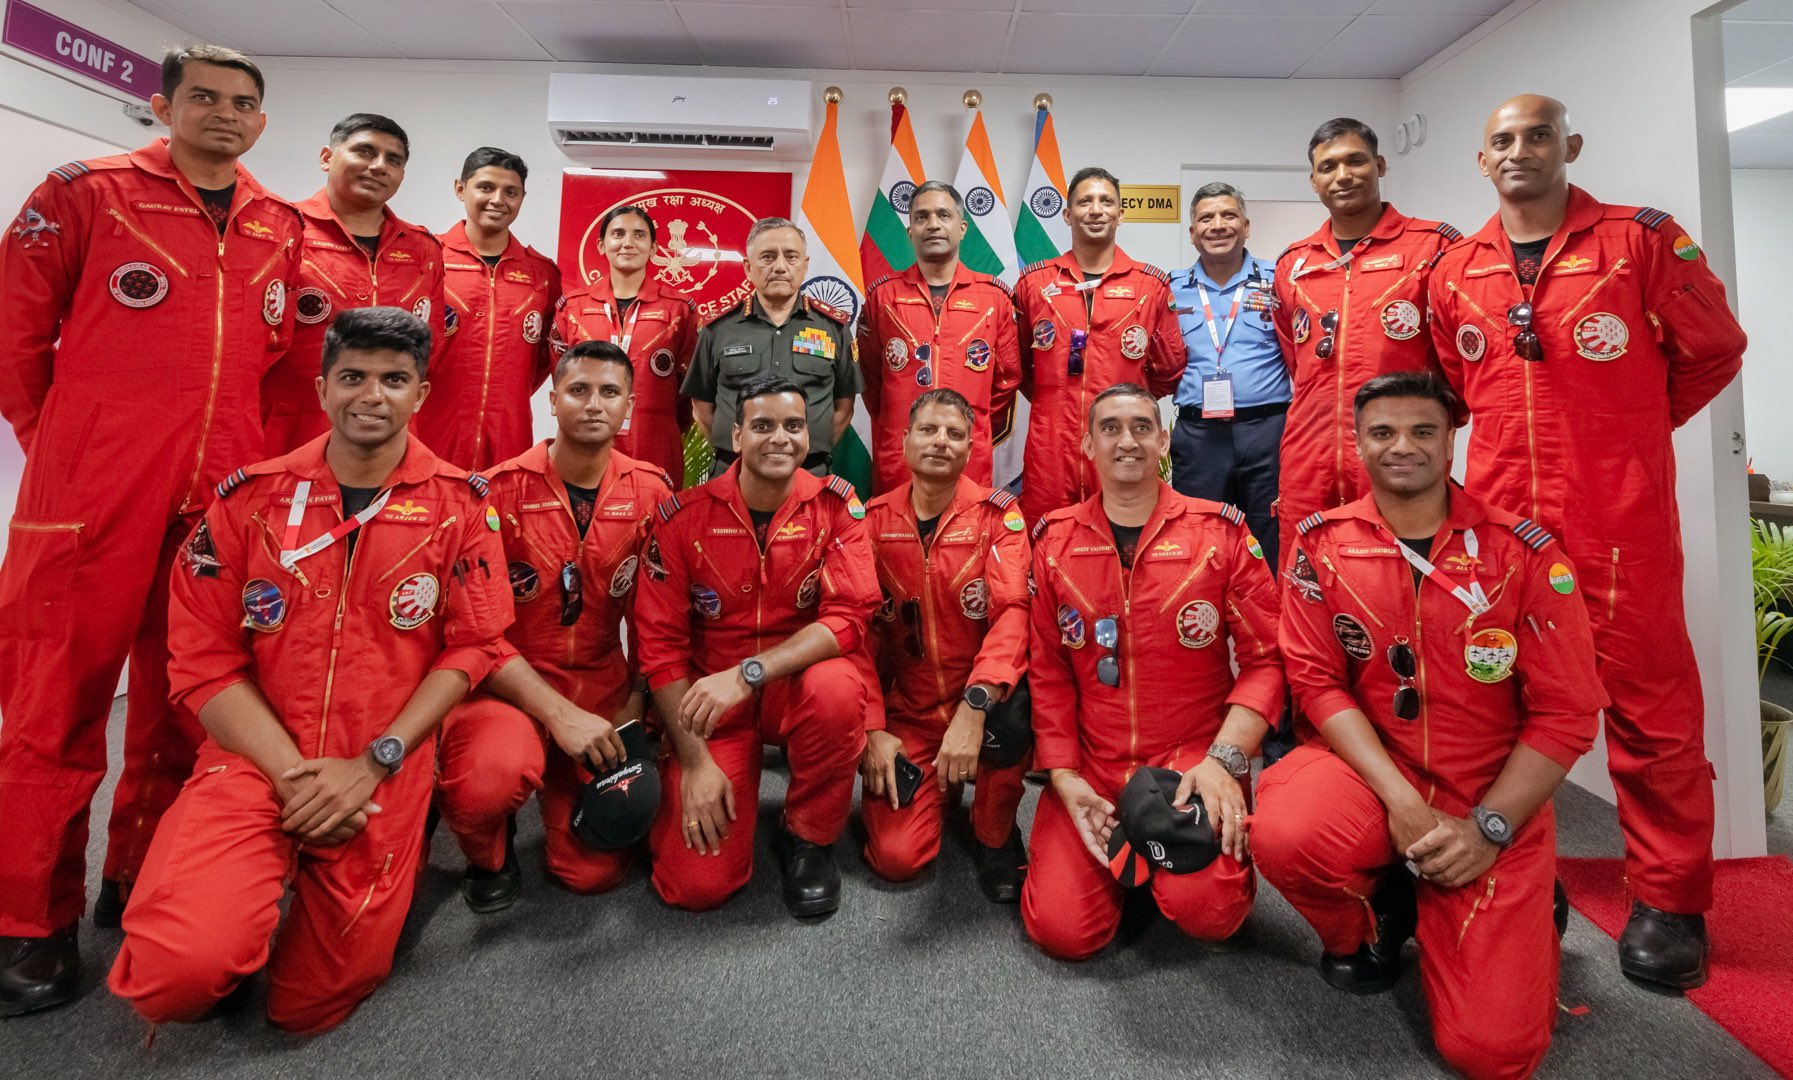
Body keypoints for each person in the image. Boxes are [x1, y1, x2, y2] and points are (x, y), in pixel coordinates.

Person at [0, 43, 305, 1015]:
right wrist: (62, 442)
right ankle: (27, 922)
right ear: (161, 104)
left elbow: (273, 350)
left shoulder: (275, 221)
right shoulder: (86, 192)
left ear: (261, 122)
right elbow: (13, 330)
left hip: (217, 495)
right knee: (56, 709)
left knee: (191, 701)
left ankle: (139, 876)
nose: (224, 114)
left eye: (242, 102)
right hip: (90, 493)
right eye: (204, 97)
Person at [106, 307, 512, 1033]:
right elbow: (200, 665)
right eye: (352, 377)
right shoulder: (247, 502)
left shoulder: (461, 507)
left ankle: (342, 873)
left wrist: (375, 762)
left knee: (307, 1008)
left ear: (420, 395)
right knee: (175, 980)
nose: (371, 395)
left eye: (394, 380)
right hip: (258, 761)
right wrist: (296, 778)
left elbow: (473, 647)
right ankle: (226, 889)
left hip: (381, 765)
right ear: (323, 387)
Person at [1428, 94, 1747, 989]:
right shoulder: (1456, 269)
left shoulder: (1640, 242)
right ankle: (1519, 876)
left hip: (1618, 530)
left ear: (1568, 146)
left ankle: (1669, 900)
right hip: (1501, 532)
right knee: (1489, 707)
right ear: (1481, 159)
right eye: (1501, 140)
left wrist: (1631, 433)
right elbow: (1461, 387)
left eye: (1537, 136)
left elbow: (1714, 348)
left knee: (1650, 718)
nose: (1519, 150)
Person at [1254, 371, 1606, 1080]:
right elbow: (1317, 683)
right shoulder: (1321, 545)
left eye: (1422, 431)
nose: (1400, 447)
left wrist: (1490, 829)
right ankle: (1379, 914)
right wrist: (1402, 803)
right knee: (1285, 829)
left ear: (1451, 441)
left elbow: (1567, 714)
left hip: (1486, 791)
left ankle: (1529, 907)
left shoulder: (1522, 554)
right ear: (1357, 444)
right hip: (1372, 774)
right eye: (1381, 432)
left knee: (1491, 1054)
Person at [1021, 383, 1281, 960]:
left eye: (1141, 426)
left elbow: (1269, 660)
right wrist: (1063, 775)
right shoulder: (1055, 542)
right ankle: (1132, 858)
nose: (1127, 440)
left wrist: (1224, 761)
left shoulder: (1220, 534)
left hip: (1192, 763)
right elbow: (1048, 671)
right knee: (1062, 933)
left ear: (1164, 440)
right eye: (1109, 428)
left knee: (1210, 913)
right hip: (1095, 764)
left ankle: (1161, 865)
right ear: (1087, 445)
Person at [433, 340, 670, 911]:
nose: (594, 404)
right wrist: (558, 716)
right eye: (579, 390)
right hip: (509, 684)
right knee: (491, 778)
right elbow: (477, 635)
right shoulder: (494, 492)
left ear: (630, 408)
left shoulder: (651, 490)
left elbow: (656, 618)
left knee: (592, 872)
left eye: (609, 392)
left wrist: (637, 704)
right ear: (553, 401)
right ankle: (489, 851)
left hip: (603, 685)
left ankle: (563, 793)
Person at [634, 375, 877, 917]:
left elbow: (849, 618)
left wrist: (749, 672)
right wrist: (695, 763)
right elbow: (660, 648)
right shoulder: (682, 517)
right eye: (763, 426)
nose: (780, 438)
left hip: (790, 688)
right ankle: (688, 788)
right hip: (710, 707)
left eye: (793, 426)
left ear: (810, 435)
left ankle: (809, 837)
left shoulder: (838, 508)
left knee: (838, 688)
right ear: (736, 436)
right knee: (696, 887)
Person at [856, 388, 1030, 901]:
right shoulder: (870, 523)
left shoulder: (1000, 518)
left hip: (983, 703)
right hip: (909, 714)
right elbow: (855, 634)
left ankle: (994, 832)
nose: (941, 442)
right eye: (928, 431)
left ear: (972, 447)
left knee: (1023, 699)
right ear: (904, 440)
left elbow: (1012, 617)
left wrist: (975, 707)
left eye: (955, 434)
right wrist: (872, 728)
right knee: (896, 859)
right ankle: (941, 786)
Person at [1272, 118, 1461, 573]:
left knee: (1402, 574)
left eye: (1356, 161)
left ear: (1379, 165)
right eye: (1329, 166)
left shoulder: (1434, 248)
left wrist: (1427, 430)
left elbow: (1459, 361)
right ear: (1313, 179)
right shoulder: (1293, 263)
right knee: (1307, 576)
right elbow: (1293, 357)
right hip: (1309, 455)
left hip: (1398, 451)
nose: (1344, 175)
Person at [262, 112, 445, 455]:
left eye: (393, 160)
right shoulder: (281, 231)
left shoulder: (424, 249)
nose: (378, 166)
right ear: (327, 158)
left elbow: (429, 351)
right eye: (364, 152)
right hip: (292, 430)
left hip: (388, 436)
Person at [1012, 168, 1182, 523]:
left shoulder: (1150, 286)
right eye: (1084, 201)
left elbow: (1168, 369)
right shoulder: (1034, 284)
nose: (1095, 209)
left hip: (1124, 440)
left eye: (1106, 201)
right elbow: (1016, 368)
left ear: (1120, 214)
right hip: (1051, 441)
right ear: (1067, 213)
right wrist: (1054, 396)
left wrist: (1128, 395)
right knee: (1047, 534)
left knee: (1127, 532)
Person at [857, 182, 1021, 494]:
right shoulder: (883, 297)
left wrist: (972, 419)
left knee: (966, 537)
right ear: (909, 232)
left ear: (962, 228)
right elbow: (870, 380)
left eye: (943, 215)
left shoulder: (994, 298)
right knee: (896, 537)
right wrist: (899, 422)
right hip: (902, 453)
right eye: (921, 217)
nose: (933, 224)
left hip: (967, 453)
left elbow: (1006, 382)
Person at [1168, 182, 1290, 569]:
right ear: (1192, 232)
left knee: (1270, 535)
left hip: (1267, 431)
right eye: (1206, 218)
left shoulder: (1280, 280)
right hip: (1199, 437)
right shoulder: (1169, 289)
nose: (1217, 225)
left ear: (1246, 225)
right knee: (1198, 536)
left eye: (1228, 215)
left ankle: (1270, 626)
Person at [683, 218, 860, 478]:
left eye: (791, 257)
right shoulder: (718, 328)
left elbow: (844, 407)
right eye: (767, 257)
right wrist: (745, 449)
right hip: (733, 472)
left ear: (805, 265)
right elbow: (701, 406)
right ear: (748, 267)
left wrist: (797, 452)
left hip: (809, 473)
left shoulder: (834, 328)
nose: (779, 267)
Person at [420, 147, 561, 471]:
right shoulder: (428, 258)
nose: (498, 200)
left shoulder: (543, 275)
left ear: (522, 197)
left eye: (510, 192)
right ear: (460, 188)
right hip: (428, 434)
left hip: (508, 439)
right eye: (485, 187)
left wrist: (504, 391)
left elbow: (542, 361)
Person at [555, 204, 699, 487]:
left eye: (639, 235)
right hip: (584, 440)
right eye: (618, 233)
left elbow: (688, 389)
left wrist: (657, 420)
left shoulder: (679, 310)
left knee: (655, 524)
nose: (628, 243)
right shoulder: (573, 307)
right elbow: (559, 378)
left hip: (653, 443)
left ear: (655, 248)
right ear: (601, 244)